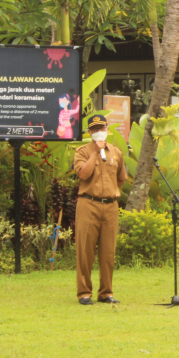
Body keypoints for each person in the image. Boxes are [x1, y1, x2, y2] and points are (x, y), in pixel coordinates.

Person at [73, 115, 128, 305]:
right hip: (89, 204)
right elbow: (83, 174)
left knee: (108, 251)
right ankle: (84, 293)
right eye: (94, 129)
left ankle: (106, 293)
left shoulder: (116, 152)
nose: (98, 132)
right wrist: (95, 153)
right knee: (85, 250)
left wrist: (110, 191)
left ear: (107, 129)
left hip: (111, 206)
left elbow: (121, 178)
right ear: (89, 132)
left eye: (101, 128)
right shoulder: (82, 151)